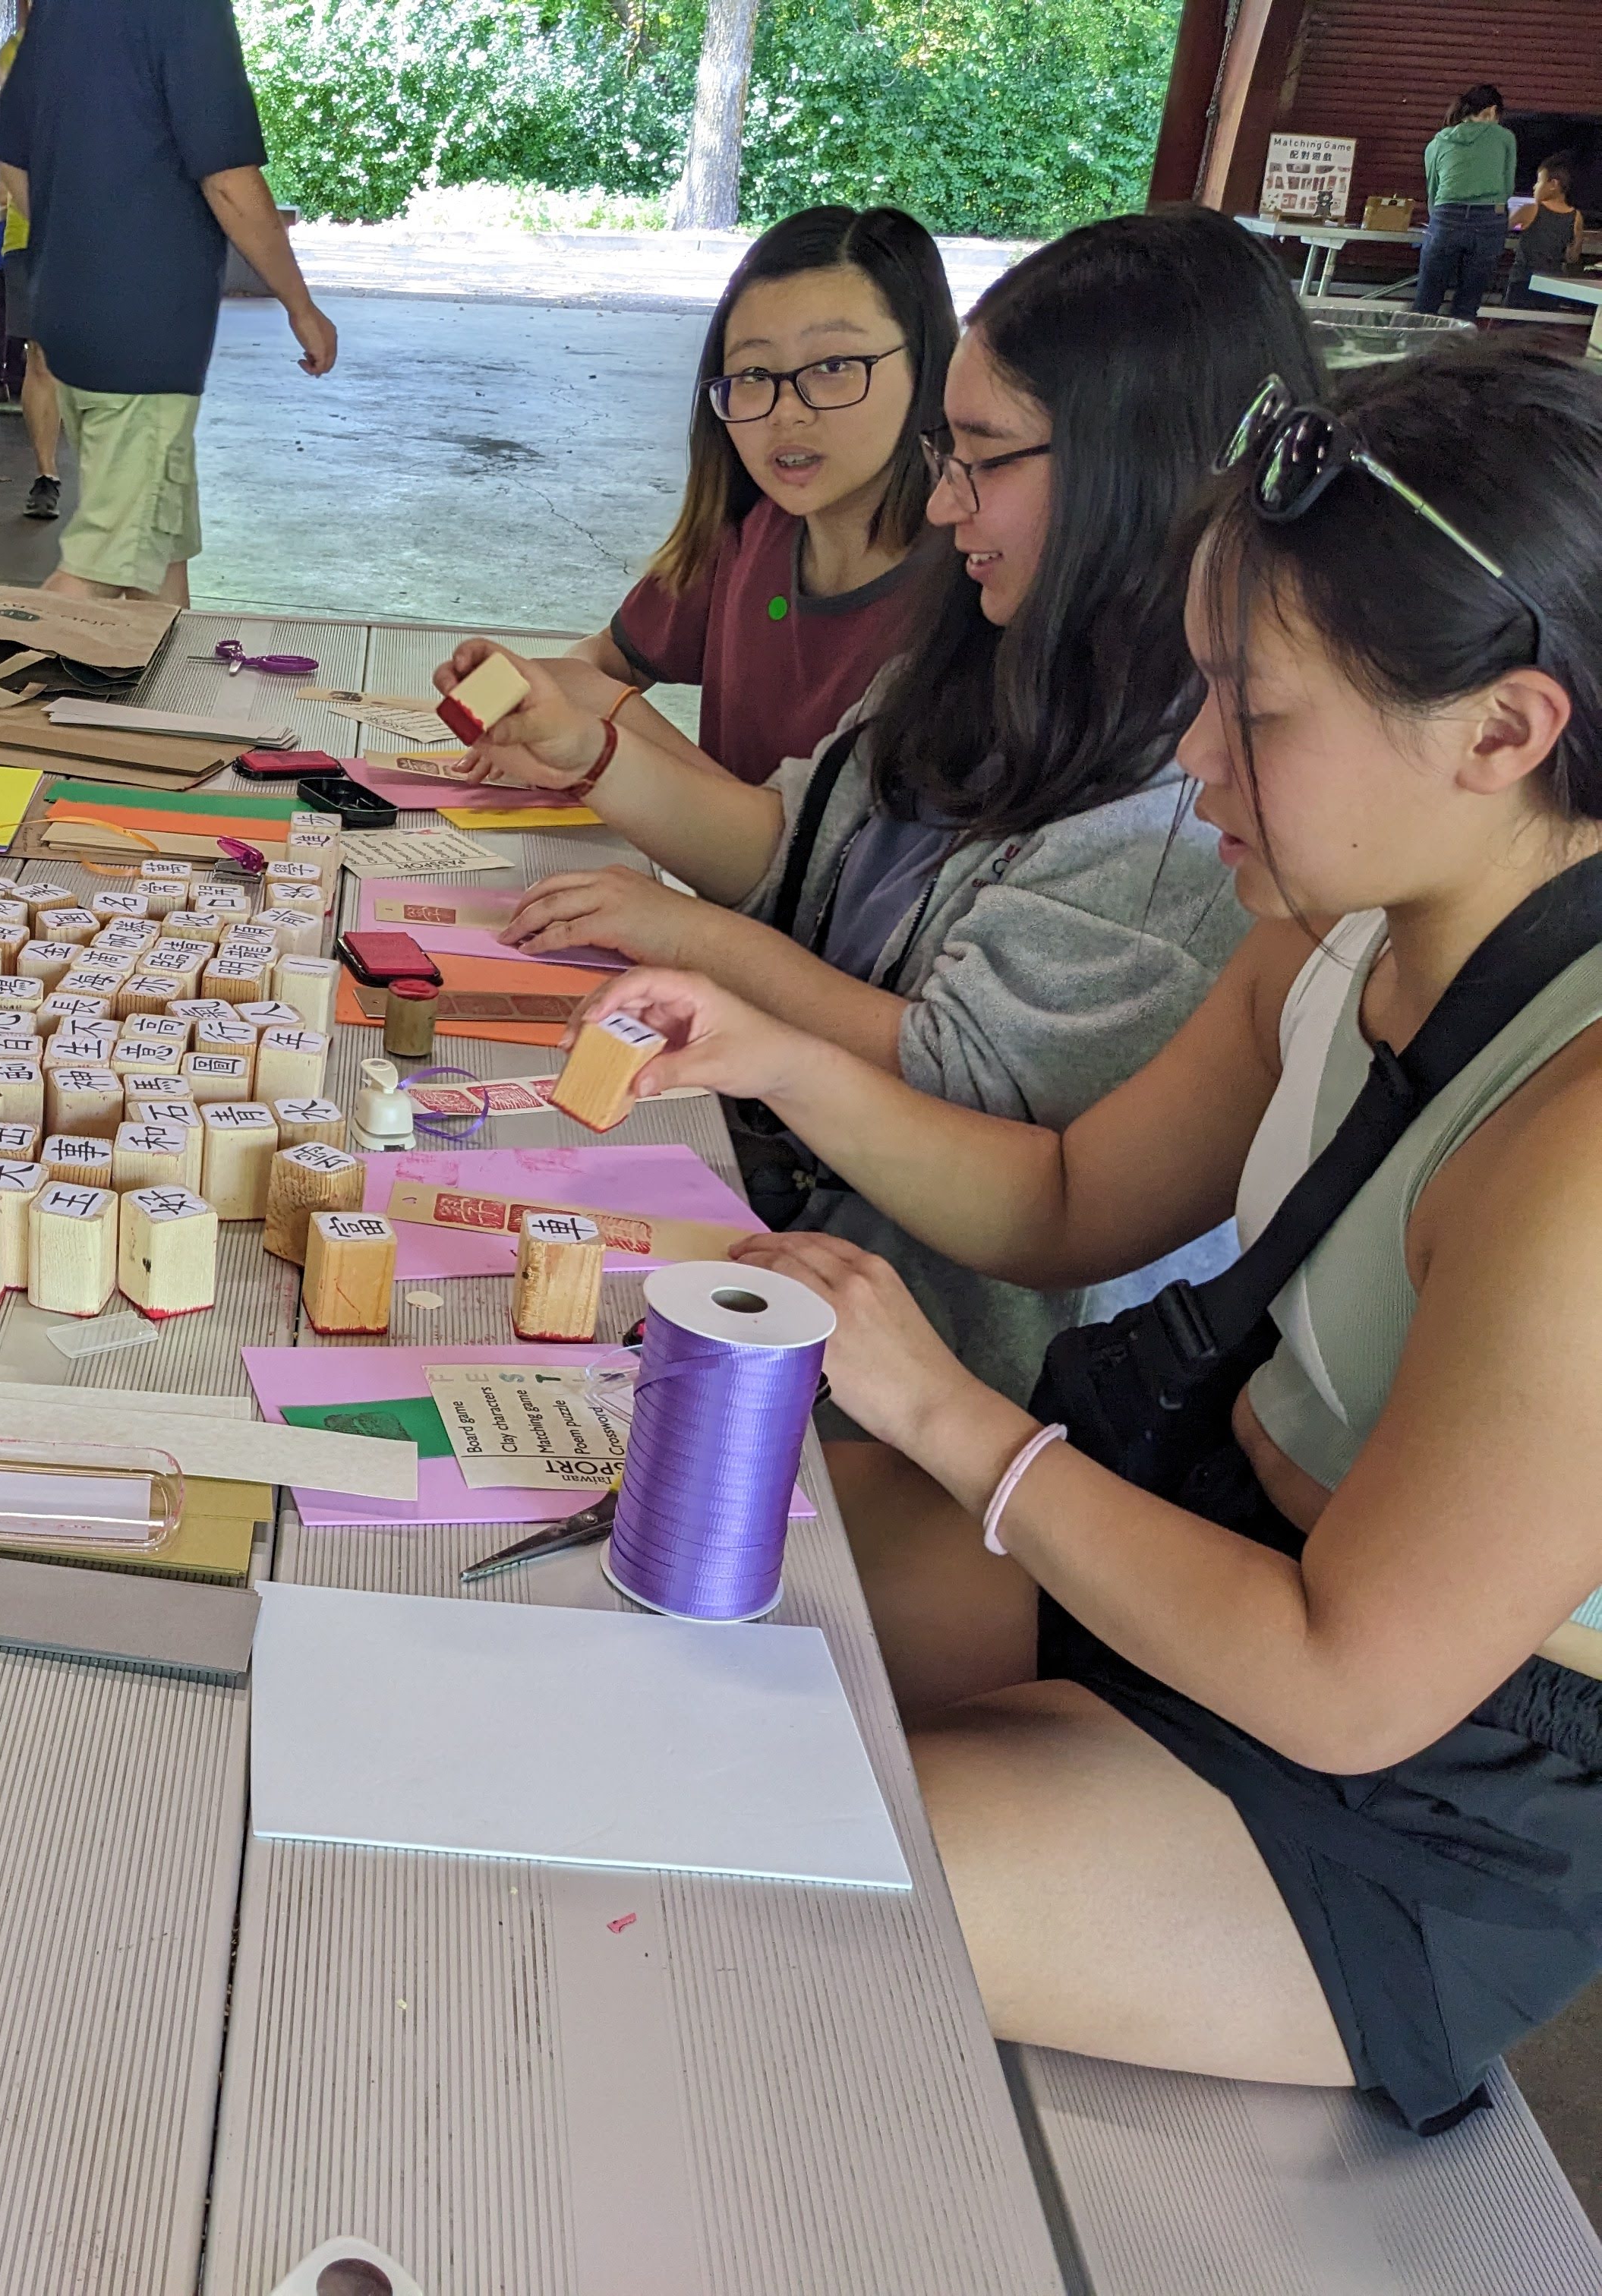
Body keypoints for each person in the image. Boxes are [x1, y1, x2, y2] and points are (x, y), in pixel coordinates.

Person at [579, 339, 1602, 2132]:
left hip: (1428, 1770)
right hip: (1191, 1525)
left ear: (1504, 732)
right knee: (639, 1645)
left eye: (1252, 708)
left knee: (722, 1874)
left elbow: (1349, 1682)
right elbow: (1064, 1204)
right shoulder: (1331, 939)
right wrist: (775, 1057)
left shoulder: (1576, 1144)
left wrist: (947, 1414)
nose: (1193, 754)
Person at [437, 210, 1319, 1399]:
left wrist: (701, 943)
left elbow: (968, 1082)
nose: (946, 504)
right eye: (752, 381)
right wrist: (592, 752)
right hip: (790, 1241)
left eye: (984, 457)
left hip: (934, 1360)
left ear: (1136, 464)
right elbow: (793, 847)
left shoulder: (1187, 794)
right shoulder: (983, 638)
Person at [533, 206, 957, 790]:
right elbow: (611, 656)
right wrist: (547, 711)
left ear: (928, 367)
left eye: (834, 365)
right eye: (753, 375)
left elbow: (810, 840)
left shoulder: (975, 593)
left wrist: (594, 726)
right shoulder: (748, 531)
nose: (787, 412)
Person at [0, 0, 333, 603]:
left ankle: (166, 668)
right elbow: (229, 181)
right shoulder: (187, 11)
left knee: (159, 550)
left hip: (72, 315)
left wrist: (79, 247)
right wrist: (300, 305)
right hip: (146, 335)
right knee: (103, 563)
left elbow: (12, 159)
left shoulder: (58, 11)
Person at [0, 0, 61, 519]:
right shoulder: (16, 53)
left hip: (104, 233)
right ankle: (46, 474)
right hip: (31, 233)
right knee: (41, 357)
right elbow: (6, 147)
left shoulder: (116, 47)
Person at [1414, 84, 1519, 320]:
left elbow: (1433, 190)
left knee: (1426, 301)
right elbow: (1507, 187)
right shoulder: (1505, 137)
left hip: (1446, 217)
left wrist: (1440, 220)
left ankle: (1417, 341)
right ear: (1493, 111)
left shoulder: (1438, 142)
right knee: (1468, 303)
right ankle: (1460, 344)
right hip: (1488, 220)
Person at [1509, 155, 1585, 309]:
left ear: (1553, 184)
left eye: (1539, 181)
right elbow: (1572, 257)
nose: (1534, 187)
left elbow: (1501, 227)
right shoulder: (1576, 216)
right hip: (1552, 284)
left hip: (1523, 281)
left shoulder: (1531, 209)